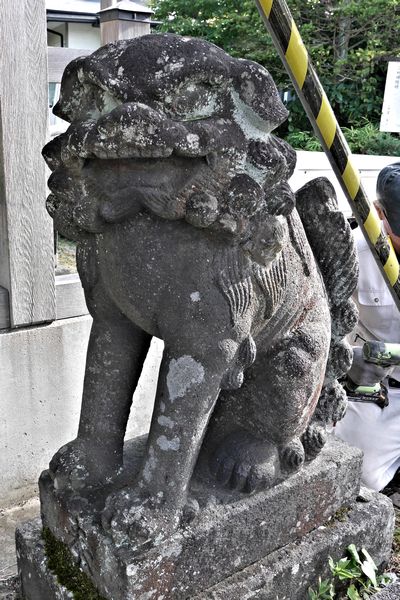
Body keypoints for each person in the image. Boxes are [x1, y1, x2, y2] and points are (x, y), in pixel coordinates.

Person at [335, 162, 400, 492]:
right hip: (385, 387)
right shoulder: (352, 253)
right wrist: (346, 358)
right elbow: (315, 323)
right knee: (359, 471)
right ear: (378, 213)